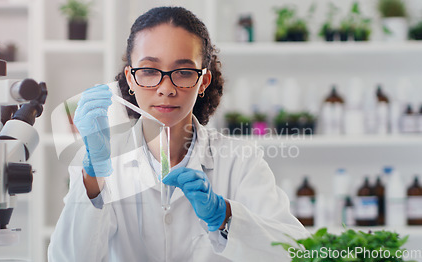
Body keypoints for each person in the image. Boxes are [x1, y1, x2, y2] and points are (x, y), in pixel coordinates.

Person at [48, 6, 309, 262]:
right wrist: (94, 180)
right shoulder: (102, 159)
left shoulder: (240, 161)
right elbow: (67, 258)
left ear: (203, 81)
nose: (166, 88)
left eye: (184, 72)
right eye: (149, 71)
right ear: (129, 78)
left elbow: (296, 251)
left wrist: (225, 217)